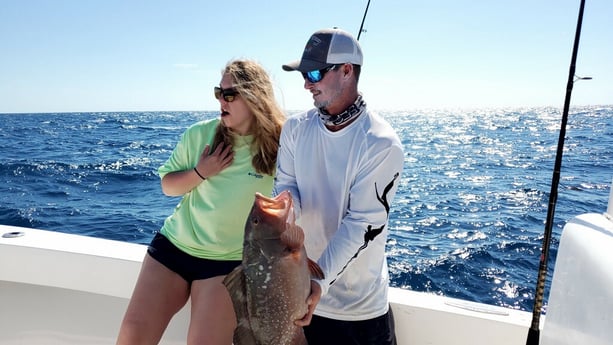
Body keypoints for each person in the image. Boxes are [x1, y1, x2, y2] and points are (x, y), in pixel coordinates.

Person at [116, 59, 285, 345]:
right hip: (174, 249)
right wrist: (201, 172)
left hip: (227, 264)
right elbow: (167, 186)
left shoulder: (282, 144)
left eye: (230, 94)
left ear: (255, 97)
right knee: (132, 336)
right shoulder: (200, 135)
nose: (221, 100)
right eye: (219, 92)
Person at [274, 28, 404, 344]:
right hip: (302, 296)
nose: (306, 83)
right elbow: (288, 186)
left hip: (358, 314)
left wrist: (319, 284)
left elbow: (360, 225)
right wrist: (281, 212)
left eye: (315, 73)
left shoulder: (382, 143)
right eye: (303, 74)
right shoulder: (294, 128)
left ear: (347, 71)